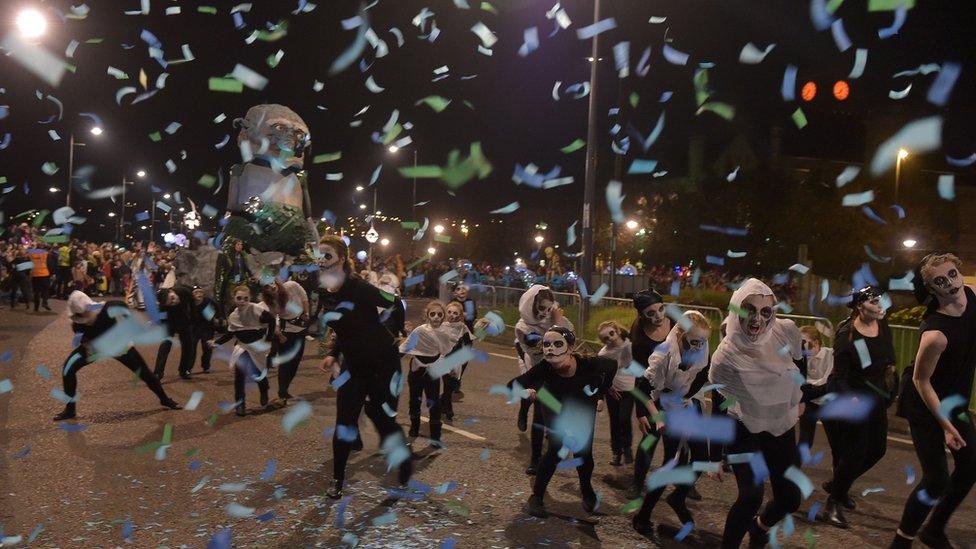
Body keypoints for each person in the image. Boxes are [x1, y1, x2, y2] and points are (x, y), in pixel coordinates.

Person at [709, 278, 804, 548]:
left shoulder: (785, 332)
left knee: (790, 499)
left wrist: (801, 396)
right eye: (748, 309)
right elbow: (719, 404)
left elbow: (800, 362)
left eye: (765, 312)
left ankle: (759, 528)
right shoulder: (725, 356)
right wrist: (714, 456)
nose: (757, 319)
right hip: (744, 426)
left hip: (779, 425)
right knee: (751, 496)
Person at [316, 235, 412, 499]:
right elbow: (341, 327)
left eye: (327, 255)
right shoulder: (325, 290)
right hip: (353, 364)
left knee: (381, 419)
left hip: (382, 361)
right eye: (319, 255)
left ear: (341, 259)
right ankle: (337, 480)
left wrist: (399, 332)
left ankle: (403, 457)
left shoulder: (359, 287)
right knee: (344, 424)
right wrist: (334, 353)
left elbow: (394, 302)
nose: (321, 260)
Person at [891, 253, 976, 549]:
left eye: (953, 274)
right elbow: (920, 381)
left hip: (957, 401)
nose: (950, 283)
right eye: (940, 281)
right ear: (931, 289)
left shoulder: (971, 296)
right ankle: (901, 541)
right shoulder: (935, 333)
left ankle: (934, 530)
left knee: (971, 466)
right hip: (926, 405)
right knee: (936, 479)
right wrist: (945, 426)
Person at [507, 326, 616, 518]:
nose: (550, 349)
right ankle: (536, 497)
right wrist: (524, 392)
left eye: (558, 344)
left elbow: (612, 366)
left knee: (584, 453)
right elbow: (513, 385)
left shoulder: (589, 364)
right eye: (547, 344)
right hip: (554, 406)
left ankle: (586, 490)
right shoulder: (544, 368)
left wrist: (602, 391)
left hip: (583, 407)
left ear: (571, 348)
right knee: (556, 448)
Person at [818, 285, 895, 528]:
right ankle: (832, 504)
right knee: (856, 451)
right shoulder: (846, 336)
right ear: (859, 305)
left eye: (879, 300)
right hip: (850, 398)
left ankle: (839, 484)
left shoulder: (882, 327)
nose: (879, 305)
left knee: (878, 449)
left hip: (876, 399)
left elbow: (887, 361)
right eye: (873, 301)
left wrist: (891, 384)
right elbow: (841, 376)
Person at [632, 311, 714, 536]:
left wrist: (688, 399)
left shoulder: (703, 346)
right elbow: (642, 389)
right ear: (679, 333)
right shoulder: (662, 354)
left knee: (701, 458)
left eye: (703, 341)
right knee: (671, 461)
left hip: (687, 400)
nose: (699, 346)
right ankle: (642, 515)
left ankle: (678, 497)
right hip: (663, 402)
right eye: (694, 341)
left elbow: (702, 375)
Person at [53, 291, 181, 420]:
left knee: (145, 373)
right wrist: (87, 345)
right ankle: (70, 410)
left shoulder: (110, 307)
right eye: (79, 314)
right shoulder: (76, 323)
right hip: (95, 348)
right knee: (68, 369)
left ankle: (164, 399)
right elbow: (83, 337)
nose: (83, 316)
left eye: (84, 312)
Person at [514, 284, 574, 475]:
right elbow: (544, 347)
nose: (545, 313)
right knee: (538, 416)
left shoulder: (555, 320)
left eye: (549, 308)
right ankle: (535, 459)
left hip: (558, 373)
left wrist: (557, 322)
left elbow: (570, 340)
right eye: (541, 308)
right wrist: (557, 324)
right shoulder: (522, 326)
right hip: (538, 371)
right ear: (530, 304)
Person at [628, 289, 674, 499]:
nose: (658, 316)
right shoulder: (638, 338)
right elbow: (639, 376)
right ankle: (637, 483)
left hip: (677, 390)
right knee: (649, 439)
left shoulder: (675, 320)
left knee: (679, 441)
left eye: (661, 309)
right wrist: (640, 413)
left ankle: (685, 484)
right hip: (653, 394)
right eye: (650, 313)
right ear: (641, 315)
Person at [213, 285, 274, 416]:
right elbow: (230, 333)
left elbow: (272, 321)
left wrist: (269, 339)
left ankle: (264, 391)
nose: (242, 301)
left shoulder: (257, 310)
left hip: (257, 347)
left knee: (258, 374)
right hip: (242, 347)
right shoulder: (233, 315)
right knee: (239, 376)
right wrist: (216, 342)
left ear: (250, 298)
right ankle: (240, 404)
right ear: (234, 298)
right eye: (239, 298)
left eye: (245, 298)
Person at [400, 301, 452, 444]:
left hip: (433, 369)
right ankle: (414, 427)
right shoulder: (419, 330)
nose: (436, 317)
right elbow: (405, 346)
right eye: (432, 314)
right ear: (427, 315)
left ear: (443, 317)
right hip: (416, 368)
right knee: (414, 399)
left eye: (439, 314)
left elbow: (446, 350)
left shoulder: (444, 333)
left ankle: (435, 433)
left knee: (433, 401)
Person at [597, 320, 635, 467]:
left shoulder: (631, 345)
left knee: (624, 419)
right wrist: (600, 397)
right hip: (612, 391)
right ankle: (616, 452)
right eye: (605, 338)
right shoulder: (604, 353)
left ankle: (627, 448)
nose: (610, 338)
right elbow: (600, 376)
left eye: (611, 333)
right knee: (615, 421)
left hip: (629, 390)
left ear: (618, 331)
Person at [272, 279, 309, 405]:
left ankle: (285, 389)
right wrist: (278, 333)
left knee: (296, 361)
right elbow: (274, 317)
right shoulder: (273, 300)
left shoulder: (292, 286)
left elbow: (304, 296)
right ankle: (281, 394)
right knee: (285, 363)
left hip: (300, 328)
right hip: (285, 332)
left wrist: (306, 311)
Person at [796, 326, 833, 450]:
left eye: (803, 342)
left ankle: (839, 468)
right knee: (804, 440)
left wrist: (809, 386)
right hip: (811, 402)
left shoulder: (830, 355)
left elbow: (828, 381)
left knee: (835, 441)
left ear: (816, 342)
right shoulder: (801, 358)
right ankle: (795, 466)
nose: (800, 346)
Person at [440, 301, 473, 421]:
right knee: (447, 384)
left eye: (455, 313)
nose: (452, 315)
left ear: (459, 315)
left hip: (456, 360)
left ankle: (440, 404)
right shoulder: (441, 326)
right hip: (443, 359)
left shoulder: (462, 327)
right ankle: (448, 408)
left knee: (451, 386)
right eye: (449, 312)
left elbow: (469, 343)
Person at [154, 286, 196, 380]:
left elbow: (193, 307)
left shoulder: (184, 291)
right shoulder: (162, 307)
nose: (174, 302)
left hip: (184, 320)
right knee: (165, 346)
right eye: (171, 303)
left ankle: (183, 370)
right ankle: (158, 373)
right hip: (170, 322)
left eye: (172, 298)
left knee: (188, 346)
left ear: (171, 291)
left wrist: (192, 322)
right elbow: (162, 320)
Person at [450, 283, 477, 398]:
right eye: (458, 289)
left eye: (463, 288)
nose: (461, 290)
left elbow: (472, 316)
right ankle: (453, 380)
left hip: (467, 333)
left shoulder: (470, 302)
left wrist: (463, 315)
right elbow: (449, 316)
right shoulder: (452, 303)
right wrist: (462, 314)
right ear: (454, 292)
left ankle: (458, 378)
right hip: (454, 334)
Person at [190, 286, 216, 373]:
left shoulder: (208, 301)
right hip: (194, 329)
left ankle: (206, 366)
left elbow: (211, 316)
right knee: (191, 348)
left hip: (207, 328)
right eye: (196, 292)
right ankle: (188, 368)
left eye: (200, 292)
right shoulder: (190, 304)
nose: (199, 294)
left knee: (207, 348)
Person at [28, 242, 52, 311]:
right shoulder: (46, 254)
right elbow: (49, 264)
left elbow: (28, 263)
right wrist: (52, 273)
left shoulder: (31, 254)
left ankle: (36, 307)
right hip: (44, 274)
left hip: (35, 274)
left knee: (36, 291)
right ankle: (44, 302)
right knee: (45, 289)